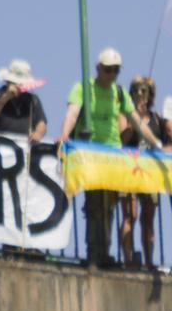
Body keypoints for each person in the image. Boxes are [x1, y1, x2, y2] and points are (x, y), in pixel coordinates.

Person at [56, 48, 164, 268]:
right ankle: (94, 252)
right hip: (90, 155)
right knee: (95, 205)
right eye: (108, 70)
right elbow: (73, 113)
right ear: (98, 69)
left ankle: (104, 252)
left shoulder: (119, 93)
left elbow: (136, 122)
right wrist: (64, 136)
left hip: (113, 157)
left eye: (115, 70)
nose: (112, 75)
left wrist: (157, 144)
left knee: (109, 206)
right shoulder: (83, 88)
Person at [121, 76, 163, 268]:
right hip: (129, 170)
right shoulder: (125, 115)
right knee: (130, 215)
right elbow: (123, 139)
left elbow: (163, 144)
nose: (141, 94)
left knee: (148, 219)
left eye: (145, 90)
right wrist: (133, 120)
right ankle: (129, 259)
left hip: (150, 174)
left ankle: (148, 261)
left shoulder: (156, 119)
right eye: (137, 90)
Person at [0, 60, 48, 143]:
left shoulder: (33, 100)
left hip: (23, 151)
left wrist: (37, 134)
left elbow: (41, 123)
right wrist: (5, 98)